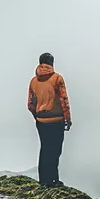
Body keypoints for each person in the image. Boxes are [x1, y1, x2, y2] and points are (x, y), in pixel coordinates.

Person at [26, 52, 72, 187]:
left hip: (41, 121)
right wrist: (67, 119)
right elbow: (64, 100)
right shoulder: (57, 79)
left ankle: (43, 180)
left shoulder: (34, 81)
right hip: (56, 120)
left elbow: (30, 103)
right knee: (55, 150)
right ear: (52, 63)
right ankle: (53, 180)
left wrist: (37, 116)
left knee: (45, 149)